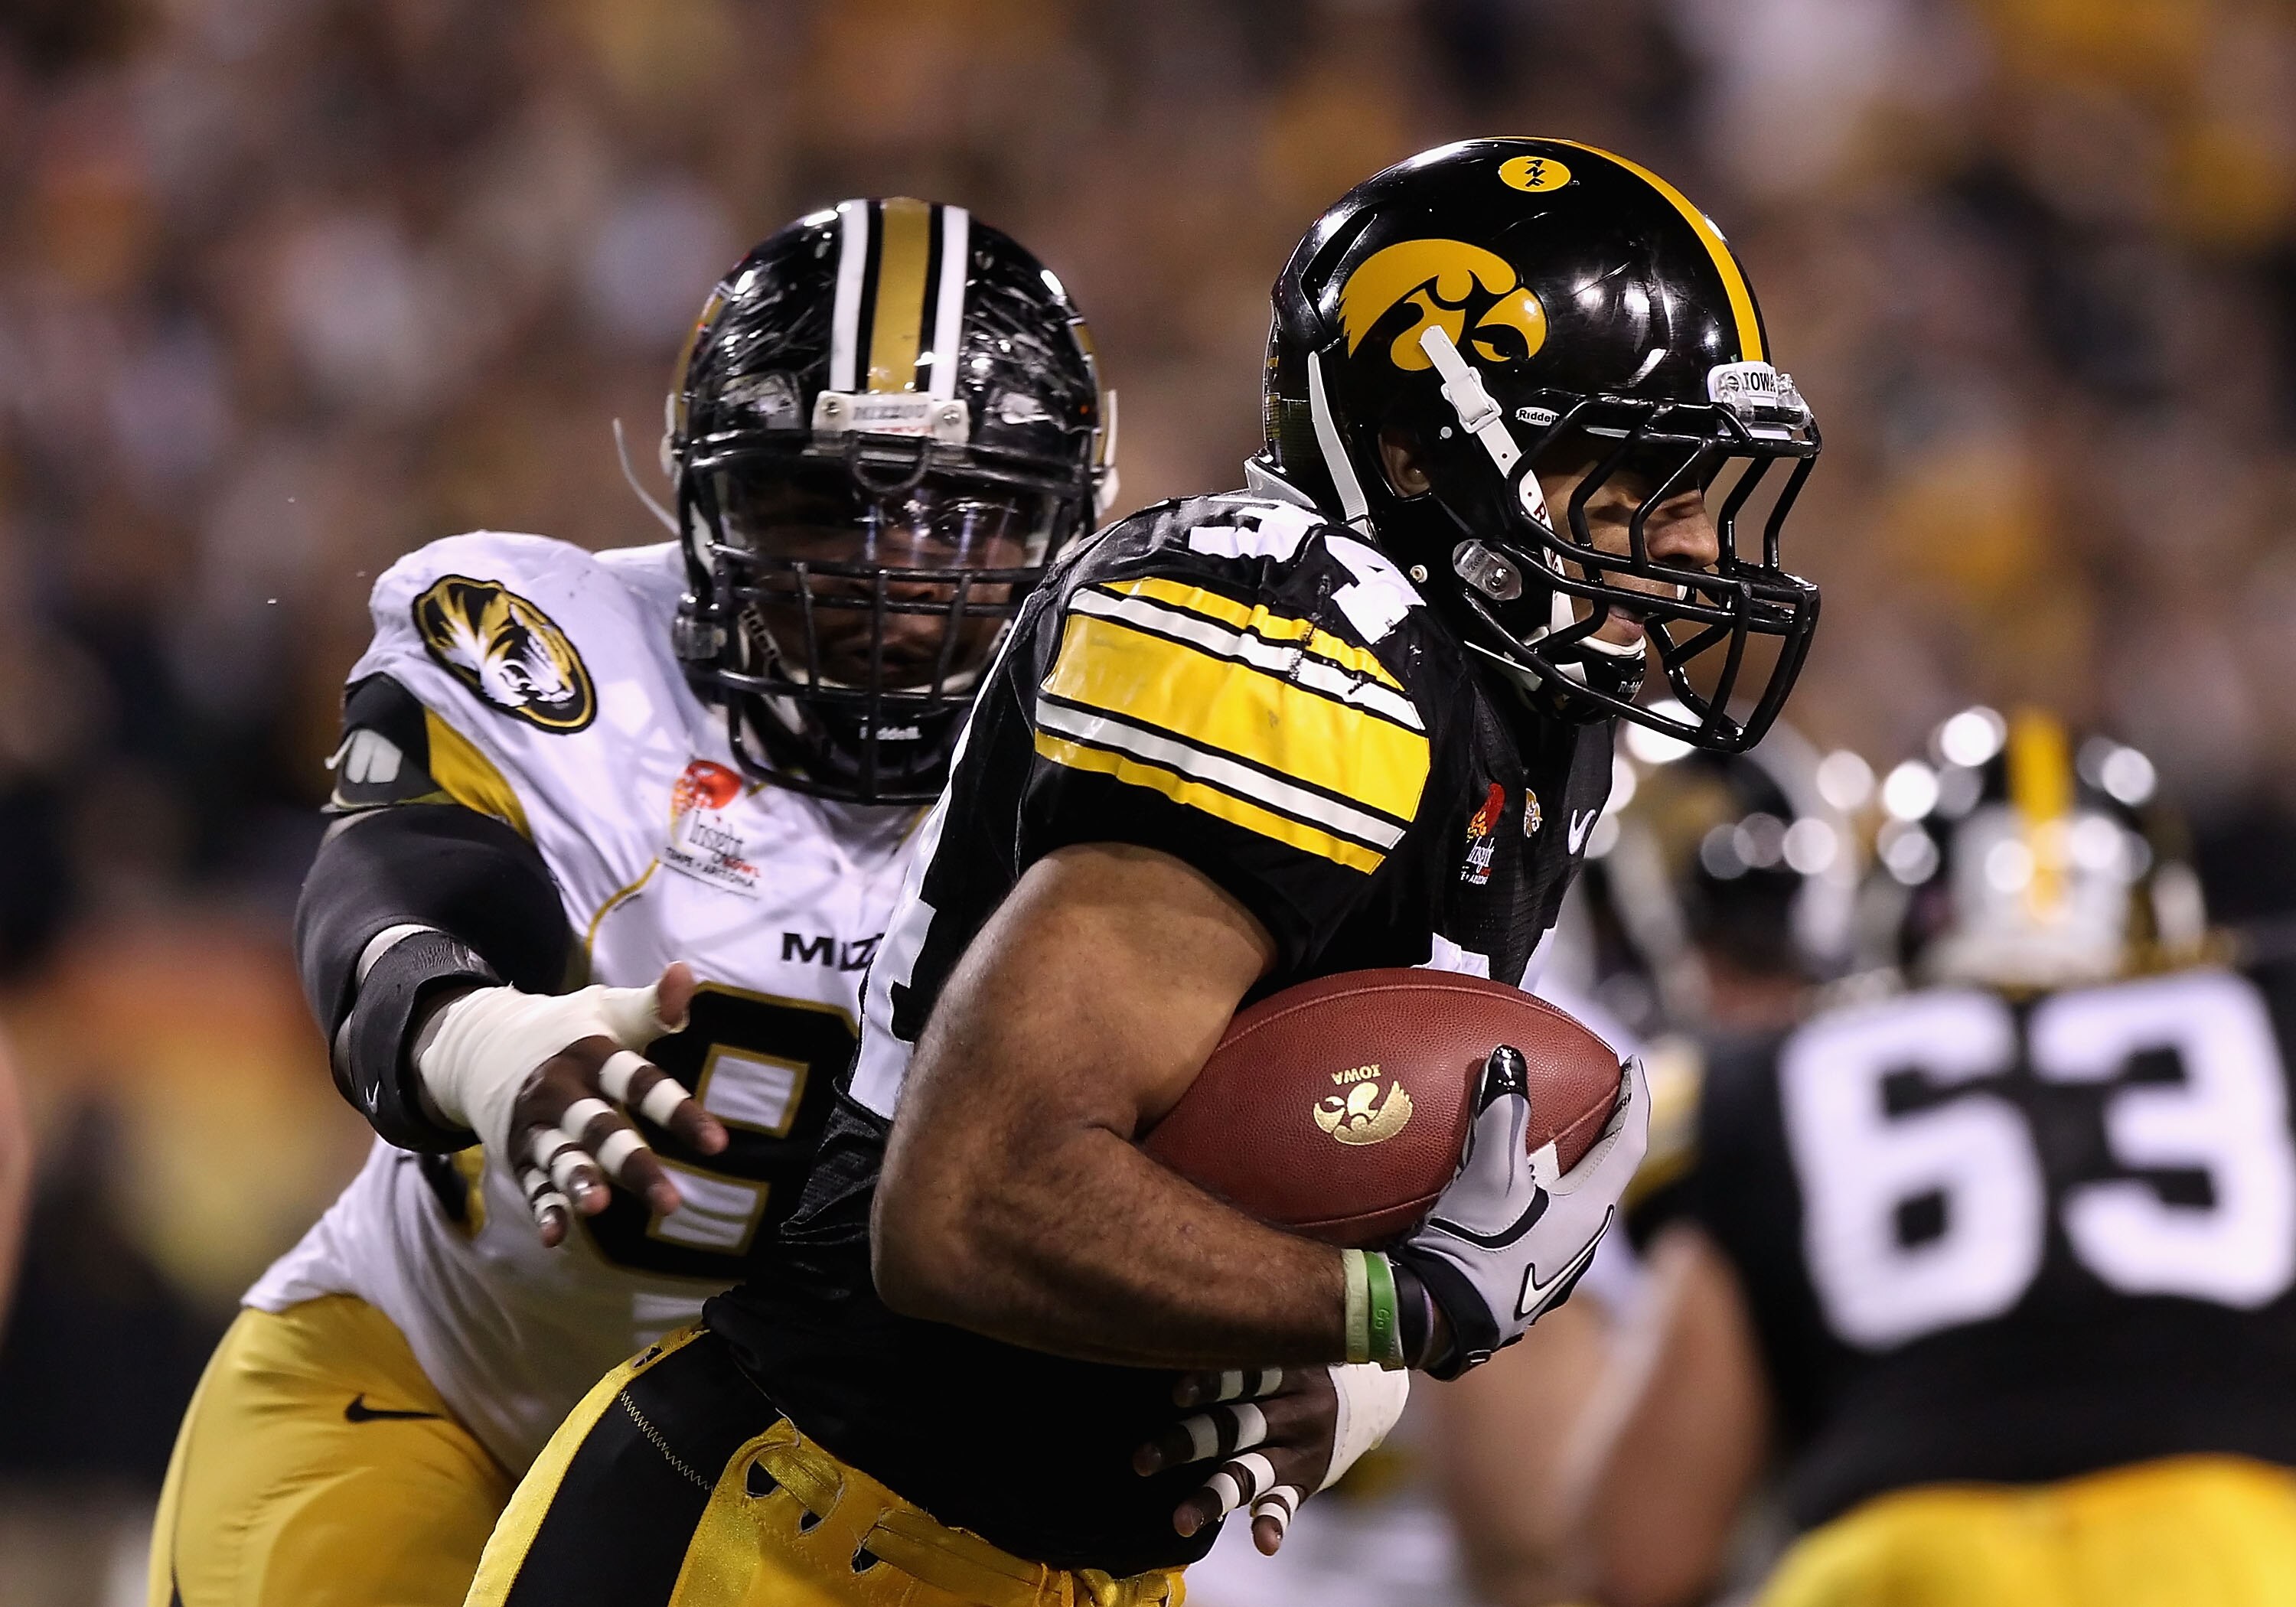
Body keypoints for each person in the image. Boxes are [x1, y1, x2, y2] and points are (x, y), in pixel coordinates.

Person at [466, 134, 1826, 1607]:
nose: (1690, 547)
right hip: (809, 1527)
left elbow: (1245, 1133)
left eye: (1701, 489)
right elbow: (971, 1205)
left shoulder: (1516, 709)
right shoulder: (1297, 651)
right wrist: (1393, 1306)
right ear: (1418, 451)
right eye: (1634, 484)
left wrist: (1312, 1369)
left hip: (1071, 1562)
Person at [146, 198, 1124, 1607]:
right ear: (701, 501)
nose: (886, 577)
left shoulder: (1137, 754)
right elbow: (390, 912)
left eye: (963, 518)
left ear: (1069, 523)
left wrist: (1340, 1387)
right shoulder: (561, 652)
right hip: (447, 1399)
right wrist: (493, 1046)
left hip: (849, 1502)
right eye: (815, 505)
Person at [1576, 706, 2296, 1607]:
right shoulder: (2264, 1020)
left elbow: (1642, 1554)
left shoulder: (1776, 1079)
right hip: (2230, 1559)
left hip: (1903, 1562)